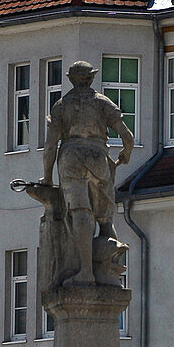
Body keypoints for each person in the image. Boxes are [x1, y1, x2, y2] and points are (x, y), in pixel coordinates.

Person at [42, 60, 134, 286]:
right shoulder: (101, 102)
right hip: (98, 156)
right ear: (91, 78)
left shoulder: (61, 105)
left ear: (71, 80)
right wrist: (127, 154)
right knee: (105, 217)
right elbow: (127, 136)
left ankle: (85, 272)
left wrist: (47, 177)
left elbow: (50, 146)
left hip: (71, 156)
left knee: (81, 211)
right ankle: (109, 273)